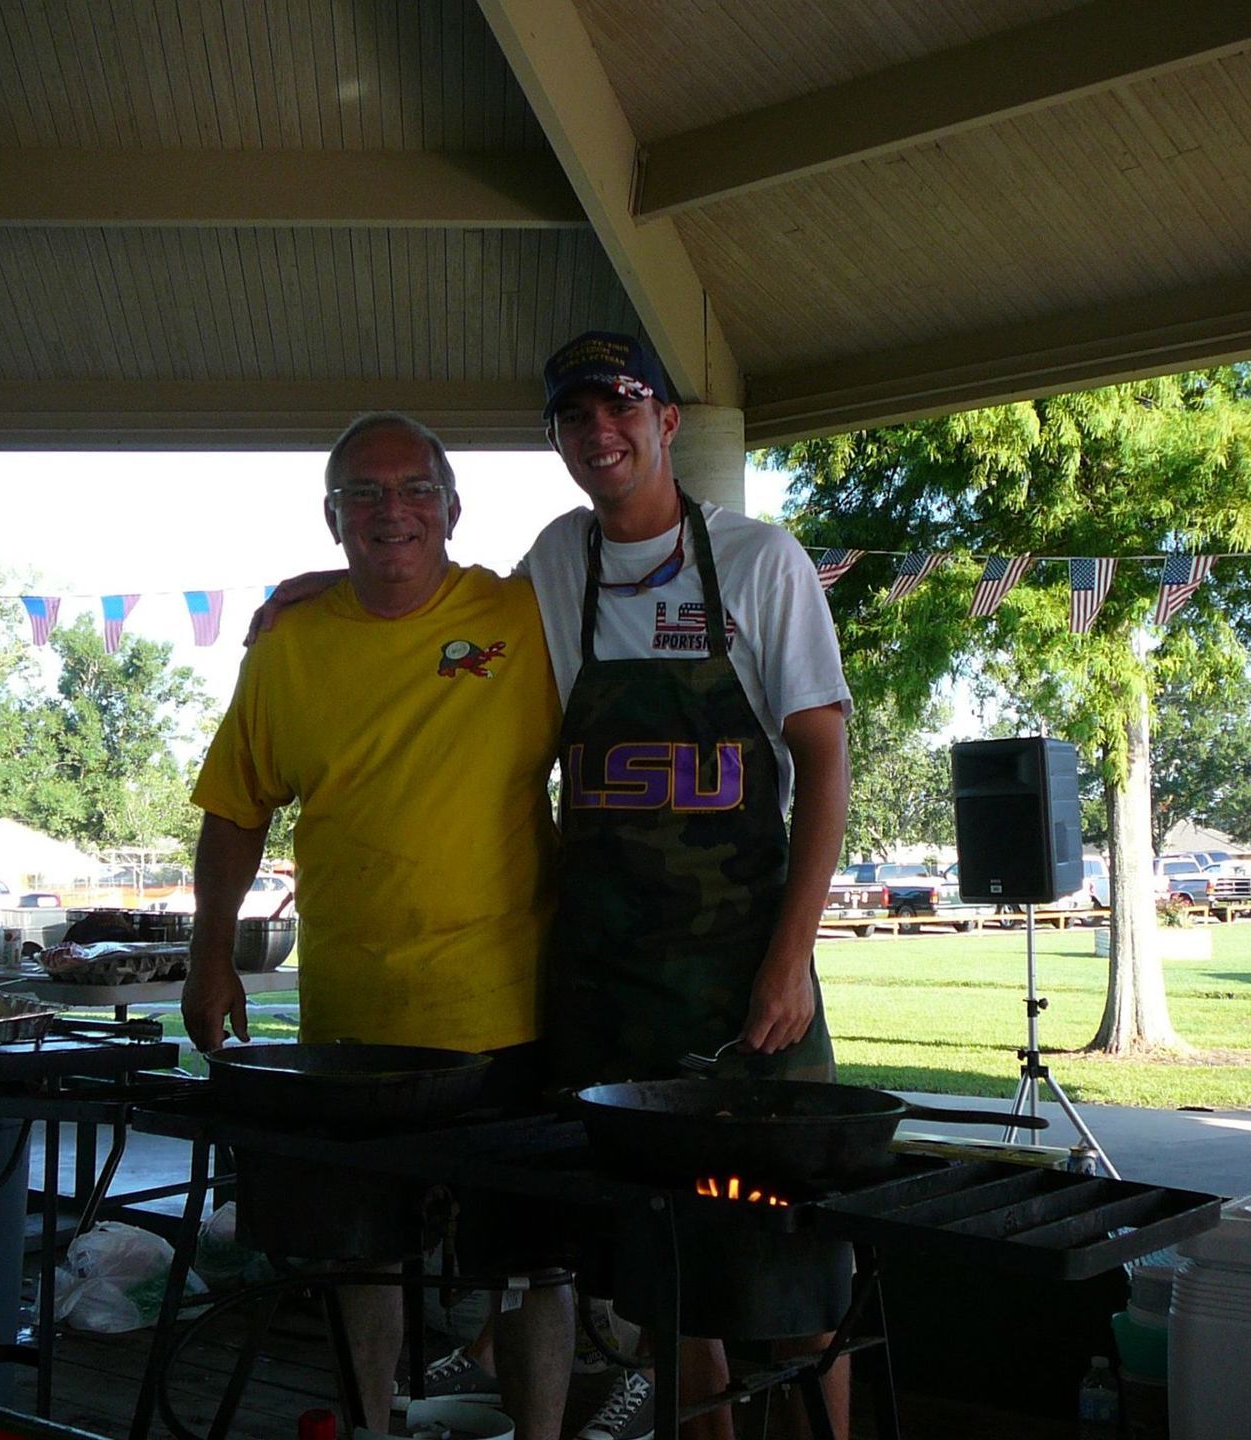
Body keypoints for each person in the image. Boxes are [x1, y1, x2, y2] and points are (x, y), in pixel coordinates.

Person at [181, 413, 573, 1440]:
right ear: (332, 517)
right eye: (363, 492)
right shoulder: (290, 645)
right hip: (351, 1021)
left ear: (451, 507)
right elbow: (235, 809)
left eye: (413, 489)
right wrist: (209, 955)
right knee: (363, 1251)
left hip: (509, 1009)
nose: (390, 510)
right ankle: (371, 1428)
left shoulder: (529, 613)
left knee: (530, 1262)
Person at [530, 332, 852, 1440]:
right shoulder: (553, 565)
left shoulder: (763, 562)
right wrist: (318, 585)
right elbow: (442, 625)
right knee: (667, 1281)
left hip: (744, 986)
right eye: (576, 416)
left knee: (795, 1276)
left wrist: (789, 957)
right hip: (606, 991)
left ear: (668, 422)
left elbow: (823, 761)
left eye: (623, 406)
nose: (600, 431)